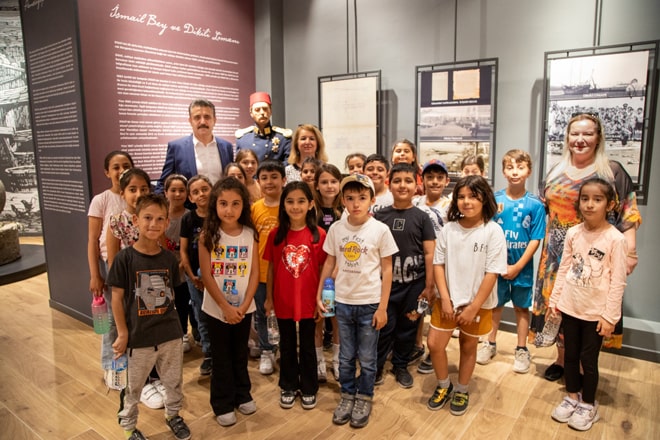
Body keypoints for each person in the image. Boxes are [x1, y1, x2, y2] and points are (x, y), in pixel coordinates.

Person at [532, 113, 641, 382]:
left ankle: (583, 366)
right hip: (555, 256)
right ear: (567, 137)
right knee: (558, 308)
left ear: (598, 138)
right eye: (575, 134)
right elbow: (544, 210)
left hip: (594, 255)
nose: (580, 140)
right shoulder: (555, 171)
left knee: (586, 310)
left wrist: (630, 251)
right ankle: (561, 360)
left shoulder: (611, 171)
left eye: (588, 134)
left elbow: (628, 212)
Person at [107, 194, 191, 440]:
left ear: (167, 223)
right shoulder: (124, 259)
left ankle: (173, 415)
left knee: (173, 381)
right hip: (139, 337)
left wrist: (179, 330)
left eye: (159, 219)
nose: (153, 224)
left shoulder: (168, 259)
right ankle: (129, 427)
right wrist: (122, 333)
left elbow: (171, 294)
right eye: (147, 218)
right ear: (136, 220)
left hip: (170, 334)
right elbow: (116, 299)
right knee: (133, 387)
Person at [317, 173, 398, 428]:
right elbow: (329, 262)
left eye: (362, 198)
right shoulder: (336, 229)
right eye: (350, 198)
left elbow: (387, 269)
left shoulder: (380, 230)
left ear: (372, 200)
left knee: (367, 357)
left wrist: (383, 307)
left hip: (370, 303)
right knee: (345, 356)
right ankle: (347, 395)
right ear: (342, 200)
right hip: (343, 302)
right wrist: (320, 293)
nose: (355, 204)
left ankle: (364, 396)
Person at [549, 178, 627, 431]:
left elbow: (618, 281)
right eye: (585, 199)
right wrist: (555, 301)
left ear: (609, 204)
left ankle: (588, 404)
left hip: (595, 313)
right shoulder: (573, 233)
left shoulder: (615, 239)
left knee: (588, 360)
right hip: (571, 307)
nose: (590, 204)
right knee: (570, 355)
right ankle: (572, 396)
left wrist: (610, 317)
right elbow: (564, 268)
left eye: (597, 199)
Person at [425, 175, 507, 416]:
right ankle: (444, 385)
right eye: (461, 197)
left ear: (485, 199)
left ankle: (461, 389)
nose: (466, 201)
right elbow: (438, 264)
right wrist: (445, 298)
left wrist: (473, 307)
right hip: (447, 301)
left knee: (468, 346)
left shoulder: (493, 231)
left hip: (477, 304)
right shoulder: (448, 229)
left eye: (473, 196)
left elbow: (492, 273)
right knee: (434, 344)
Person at [476, 150, 546, 373]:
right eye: (510, 167)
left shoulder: (535, 204)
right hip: (496, 266)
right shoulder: (495, 200)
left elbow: (536, 239)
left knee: (521, 308)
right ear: (503, 171)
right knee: (495, 305)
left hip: (521, 267)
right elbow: (487, 232)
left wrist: (517, 266)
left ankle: (521, 349)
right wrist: (496, 264)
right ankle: (490, 343)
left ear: (529, 171)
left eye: (520, 167)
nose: (515, 172)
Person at [198, 177, 260, 427]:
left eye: (235, 204)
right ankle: (222, 402)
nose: (229, 210)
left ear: (243, 205)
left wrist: (243, 307)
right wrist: (225, 306)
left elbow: (254, 273)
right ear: (215, 205)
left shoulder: (250, 234)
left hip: (243, 308)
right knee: (221, 356)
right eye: (223, 203)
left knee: (240, 353)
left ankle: (242, 393)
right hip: (216, 310)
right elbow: (207, 275)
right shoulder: (207, 236)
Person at [264, 182, 327, 410]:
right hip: (283, 299)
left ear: (310, 204)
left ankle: (309, 387)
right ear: (283, 205)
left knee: (308, 344)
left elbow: (324, 269)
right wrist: (269, 298)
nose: (295, 206)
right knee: (287, 344)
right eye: (290, 201)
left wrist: (321, 300)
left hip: (310, 300)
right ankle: (288, 385)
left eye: (301, 201)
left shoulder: (319, 235)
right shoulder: (275, 235)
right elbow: (271, 268)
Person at [374, 163, 435, 389]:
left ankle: (400, 365)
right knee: (383, 328)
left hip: (414, 287)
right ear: (389, 184)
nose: (402, 185)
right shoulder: (379, 216)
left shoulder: (422, 217)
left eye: (408, 181)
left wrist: (429, 286)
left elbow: (429, 253)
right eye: (397, 181)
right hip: (386, 287)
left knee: (408, 328)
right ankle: (377, 366)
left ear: (416, 186)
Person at [87, 150, 133, 389]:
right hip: (112, 264)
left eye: (126, 165)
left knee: (132, 316)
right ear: (107, 172)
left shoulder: (135, 197)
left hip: (136, 264)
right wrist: (95, 274)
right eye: (116, 167)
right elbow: (92, 240)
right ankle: (110, 364)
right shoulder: (101, 200)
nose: (121, 170)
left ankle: (131, 362)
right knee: (114, 320)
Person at [413, 159, 452, 375]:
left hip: (441, 263)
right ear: (423, 180)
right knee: (419, 304)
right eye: (430, 177)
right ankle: (417, 345)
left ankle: (435, 349)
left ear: (446, 180)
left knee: (438, 307)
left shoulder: (450, 206)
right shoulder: (415, 202)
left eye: (439, 177)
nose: (434, 181)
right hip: (418, 261)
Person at [250, 160, 287, 375]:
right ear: (258, 182)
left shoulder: (289, 206)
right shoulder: (255, 208)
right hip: (261, 272)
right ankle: (266, 350)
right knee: (263, 312)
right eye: (264, 178)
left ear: (284, 180)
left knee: (284, 313)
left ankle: (284, 347)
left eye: (274, 177)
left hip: (286, 272)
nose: (269, 182)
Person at [156, 99, 235, 193]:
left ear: (214, 120)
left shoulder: (227, 147)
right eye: (197, 117)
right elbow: (163, 183)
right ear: (190, 121)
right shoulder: (176, 148)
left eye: (207, 117)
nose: (202, 122)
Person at [179, 175, 213, 376]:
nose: (201, 194)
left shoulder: (219, 215)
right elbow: (183, 250)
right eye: (196, 192)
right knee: (201, 315)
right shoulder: (188, 219)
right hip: (195, 276)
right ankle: (208, 353)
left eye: (205, 189)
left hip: (216, 275)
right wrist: (192, 276)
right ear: (190, 197)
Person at [313, 163, 343, 381]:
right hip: (316, 272)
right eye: (324, 182)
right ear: (316, 185)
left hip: (340, 273)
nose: (329, 186)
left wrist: (337, 269)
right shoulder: (311, 210)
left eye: (333, 181)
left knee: (338, 320)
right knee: (318, 317)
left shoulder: (345, 210)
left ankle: (338, 360)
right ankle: (318, 361)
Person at [161, 174, 194, 353]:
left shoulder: (189, 216)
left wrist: (180, 266)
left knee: (183, 302)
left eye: (182, 190)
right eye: (173, 190)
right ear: (166, 192)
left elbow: (189, 247)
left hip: (183, 267)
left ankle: (183, 333)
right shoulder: (160, 215)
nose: (178, 194)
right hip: (163, 268)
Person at [235, 92, 292, 163]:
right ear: (251, 113)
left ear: (270, 111)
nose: (262, 112)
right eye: (257, 110)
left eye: (265, 109)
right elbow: (239, 165)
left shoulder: (283, 138)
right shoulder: (243, 139)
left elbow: (288, 163)